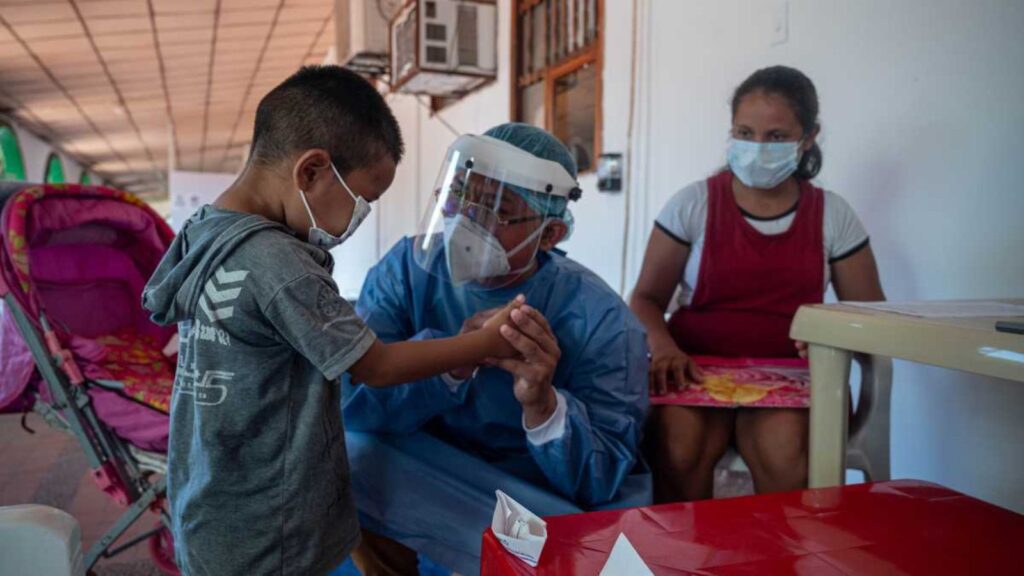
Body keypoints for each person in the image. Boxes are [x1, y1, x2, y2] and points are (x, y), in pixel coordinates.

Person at [141, 66, 521, 576]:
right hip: (270, 530)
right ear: (312, 171)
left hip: (210, 503)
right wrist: (481, 344)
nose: (358, 216)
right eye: (364, 199)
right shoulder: (279, 263)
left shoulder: (205, 231)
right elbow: (375, 366)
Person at [342, 123, 650, 575]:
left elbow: (601, 479)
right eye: (460, 197)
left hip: (534, 496)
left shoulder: (601, 319)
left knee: (604, 561)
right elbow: (355, 403)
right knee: (346, 457)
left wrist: (543, 406)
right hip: (430, 470)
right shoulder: (407, 271)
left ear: (549, 236)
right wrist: (453, 359)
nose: (465, 221)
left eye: (496, 211)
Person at [629, 66, 885, 503]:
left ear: (808, 138)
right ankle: (679, 563)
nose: (757, 148)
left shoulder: (833, 215)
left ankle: (776, 562)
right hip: (694, 366)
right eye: (745, 133)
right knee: (677, 443)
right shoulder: (693, 204)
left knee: (784, 451)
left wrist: (832, 335)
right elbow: (646, 298)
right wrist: (664, 346)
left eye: (776, 136)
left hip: (796, 375)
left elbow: (873, 317)